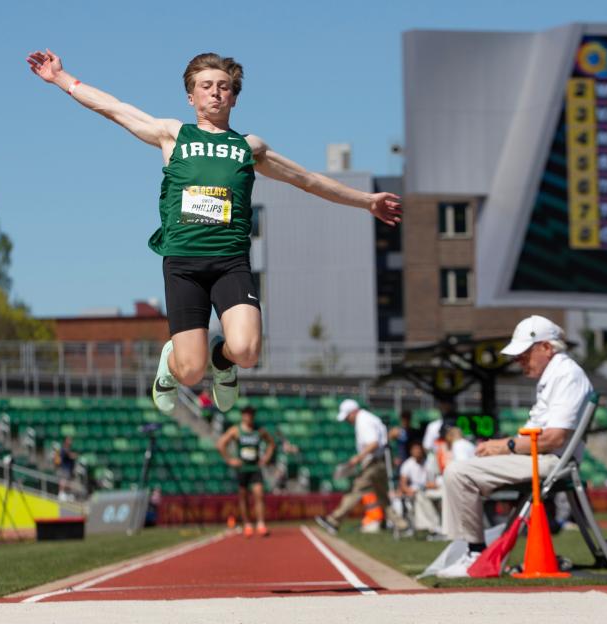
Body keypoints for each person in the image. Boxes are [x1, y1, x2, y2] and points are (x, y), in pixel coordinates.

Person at [27, 50, 401, 417]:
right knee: (189, 371)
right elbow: (114, 108)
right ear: (191, 96)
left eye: (223, 86)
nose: (216, 92)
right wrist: (60, 78)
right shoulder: (173, 135)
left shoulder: (249, 147)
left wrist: (367, 201)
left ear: (234, 97)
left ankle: (223, 361)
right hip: (184, 265)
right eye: (206, 86)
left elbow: (307, 180)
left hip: (230, 264)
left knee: (248, 352)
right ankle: (170, 361)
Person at [436, 315, 592, 578]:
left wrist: (504, 446)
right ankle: (473, 550)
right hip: (543, 456)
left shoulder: (566, 375)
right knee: (463, 470)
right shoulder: (555, 374)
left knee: (458, 473)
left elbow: (553, 438)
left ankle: (475, 554)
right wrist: (503, 446)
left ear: (546, 347)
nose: (519, 361)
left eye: (524, 354)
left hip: (550, 460)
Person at [315, 399, 408, 534]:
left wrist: (358, 458)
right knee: (383, 497)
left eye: (347, 417)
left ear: (353, 413)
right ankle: (402, 525)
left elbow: (373, 443)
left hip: (374, 463)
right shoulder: (367, 418)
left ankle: (333, 520)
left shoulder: (363, 421)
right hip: (380, 462)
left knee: (356, 489)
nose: (347, 420)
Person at [216, 406, 275, 537]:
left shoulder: (259, 431)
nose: (249, 417)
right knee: (243, 498)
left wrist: (266, 458)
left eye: (251, 414)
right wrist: (230, 460)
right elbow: (220, 444)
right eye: (247, 414)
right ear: (242, 415)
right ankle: (247, 524)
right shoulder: (236, 430)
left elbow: (271, 443)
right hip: (242, 468)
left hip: (255, 468)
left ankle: (261, 524)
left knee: (259, 495)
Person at [399, 440, 442, 537]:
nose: (417, 451)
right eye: (415, 449)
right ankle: (433, 527)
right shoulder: (407, 465)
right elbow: (403, 484)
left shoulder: (429, 462)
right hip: (416, 492)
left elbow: (436, 480)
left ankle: (438, 526)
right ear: (411, 451)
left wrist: (432, 485)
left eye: (419, 449)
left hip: (430, 490)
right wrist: (408, 491)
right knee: (420, 497)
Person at [54, 436, 79, 502]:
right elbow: (69, 455)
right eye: (69, 440)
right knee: (63, 481)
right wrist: (74, 455)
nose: (70, 442)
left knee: (68, 482)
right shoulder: (63, 449)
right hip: (64, 468)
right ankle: (61, 493)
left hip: (69, 469)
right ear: (65, 441)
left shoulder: (69, 449)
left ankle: (66, 494)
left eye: (71, 440)